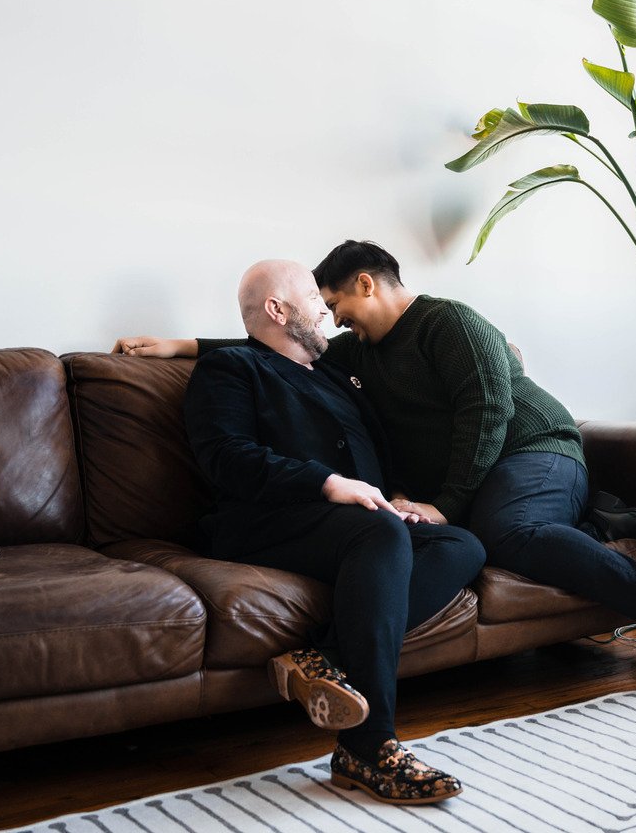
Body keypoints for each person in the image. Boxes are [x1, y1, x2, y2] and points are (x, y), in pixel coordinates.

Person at [116, 240, 636, 689]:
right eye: (320, 307)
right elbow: (273, 348)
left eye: (336, 303)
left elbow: (488, 413)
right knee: (472, 539)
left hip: (534, 450)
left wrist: (445, 505)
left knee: (506, 531)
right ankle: (594, 527)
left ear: (367, 284)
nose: (332, 317)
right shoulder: (357, 353)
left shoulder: (448, 322)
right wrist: (180, 347)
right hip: (482, 478)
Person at [181, 258, 485, 805]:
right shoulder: (232, 369)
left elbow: (374, 454)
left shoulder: (338, 375)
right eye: (314, 300)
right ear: (277, 309)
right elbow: (226, 458)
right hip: (268, 520)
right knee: (382, 536)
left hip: (357, 522)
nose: (327, 312)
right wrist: (326, 483)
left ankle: (319, 658)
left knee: (461, 545)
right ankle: (367, 746)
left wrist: (394, 498)